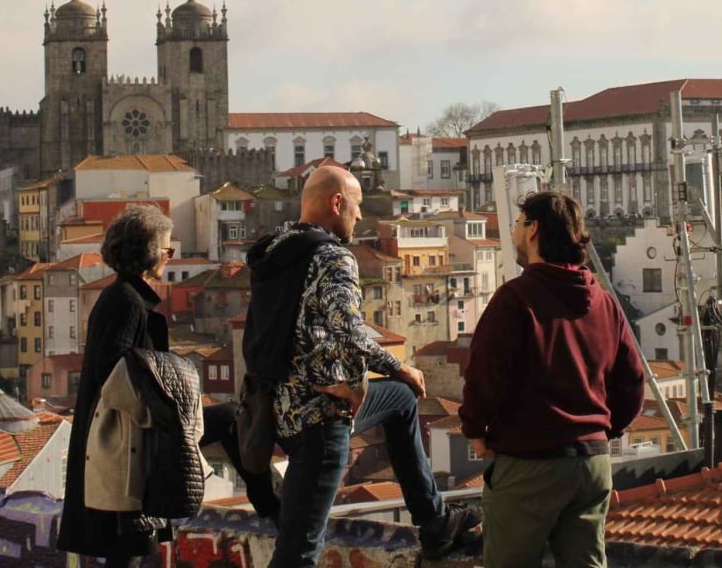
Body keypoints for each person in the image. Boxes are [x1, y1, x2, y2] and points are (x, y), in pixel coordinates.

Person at [245, 163, 480, 567]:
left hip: (279, 408)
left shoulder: (276, 251)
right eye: (355, 206)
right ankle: (434, 523)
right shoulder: (332, 257)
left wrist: (357, 381)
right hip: (322, 415)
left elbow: (296, 328)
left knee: (401, 401)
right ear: (336, 203)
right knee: (298, 554)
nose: (359, 216)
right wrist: (398, 368)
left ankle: (435, 522)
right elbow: (347, 331)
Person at [460, 190, 646, 568]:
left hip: (532, 462)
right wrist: (604, 431)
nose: (513, 232)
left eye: (516, 224)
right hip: (592, 463)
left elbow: (484, 372)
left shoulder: (515, 299)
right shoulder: (604, 302)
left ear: (533, 230)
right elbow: (632, 381)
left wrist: (475, 430)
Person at [58, 204, 182, 567]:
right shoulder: (126, 302)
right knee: (125, 554)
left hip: (122, 444)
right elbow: (114, 376)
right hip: (121, 448)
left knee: (126, 554)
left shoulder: (121, 297)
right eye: (167, 250)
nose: (169, 258)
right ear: (150, 253)